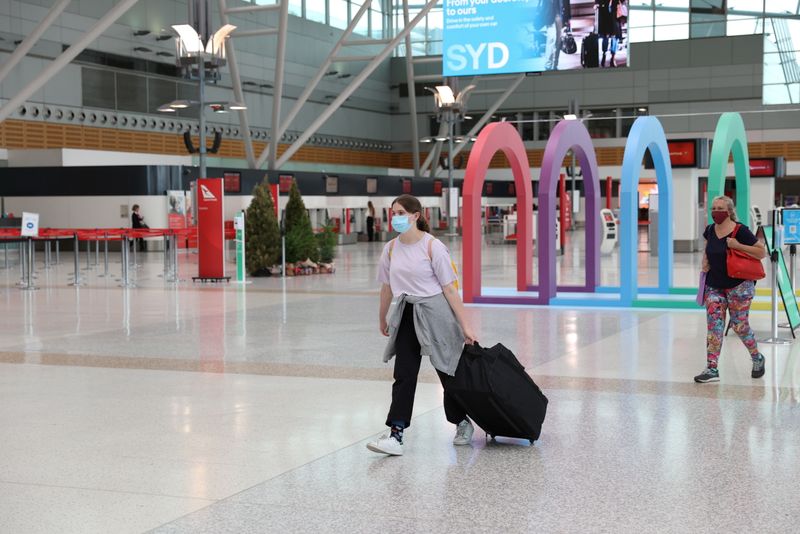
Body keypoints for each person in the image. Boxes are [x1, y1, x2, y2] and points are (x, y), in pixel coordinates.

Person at [367, 194, 478, 456]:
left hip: (436, 312)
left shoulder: (433, 247)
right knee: (404, 374)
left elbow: (450, 289)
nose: (396, 218)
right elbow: (386, 288)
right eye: (393, 212)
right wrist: (383, 318)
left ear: (416, 216)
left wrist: (465, 326)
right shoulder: (391, 248)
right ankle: (396, 434)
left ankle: (462, 422)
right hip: (406, 313)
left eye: (401, 213)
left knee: (447, 372)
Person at [695, 195, 767, 384]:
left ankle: (757, 358)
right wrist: (705, 260)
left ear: (729, 211)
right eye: (713, 208)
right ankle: (712, 368)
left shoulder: (740, 230)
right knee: (714, 327)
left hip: (739, 286)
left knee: (739, 326)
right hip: (714, 286)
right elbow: (708, 247)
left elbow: (762, 252)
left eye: (720, 208)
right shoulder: (710, 230)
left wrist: (737, 245)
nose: (715, 212)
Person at [594, 0, 620, 67]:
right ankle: (604, 54)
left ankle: (613, 57)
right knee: (606, 35)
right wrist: (596, 3)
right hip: (605, 10)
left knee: (615, 36)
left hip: (615, 11)